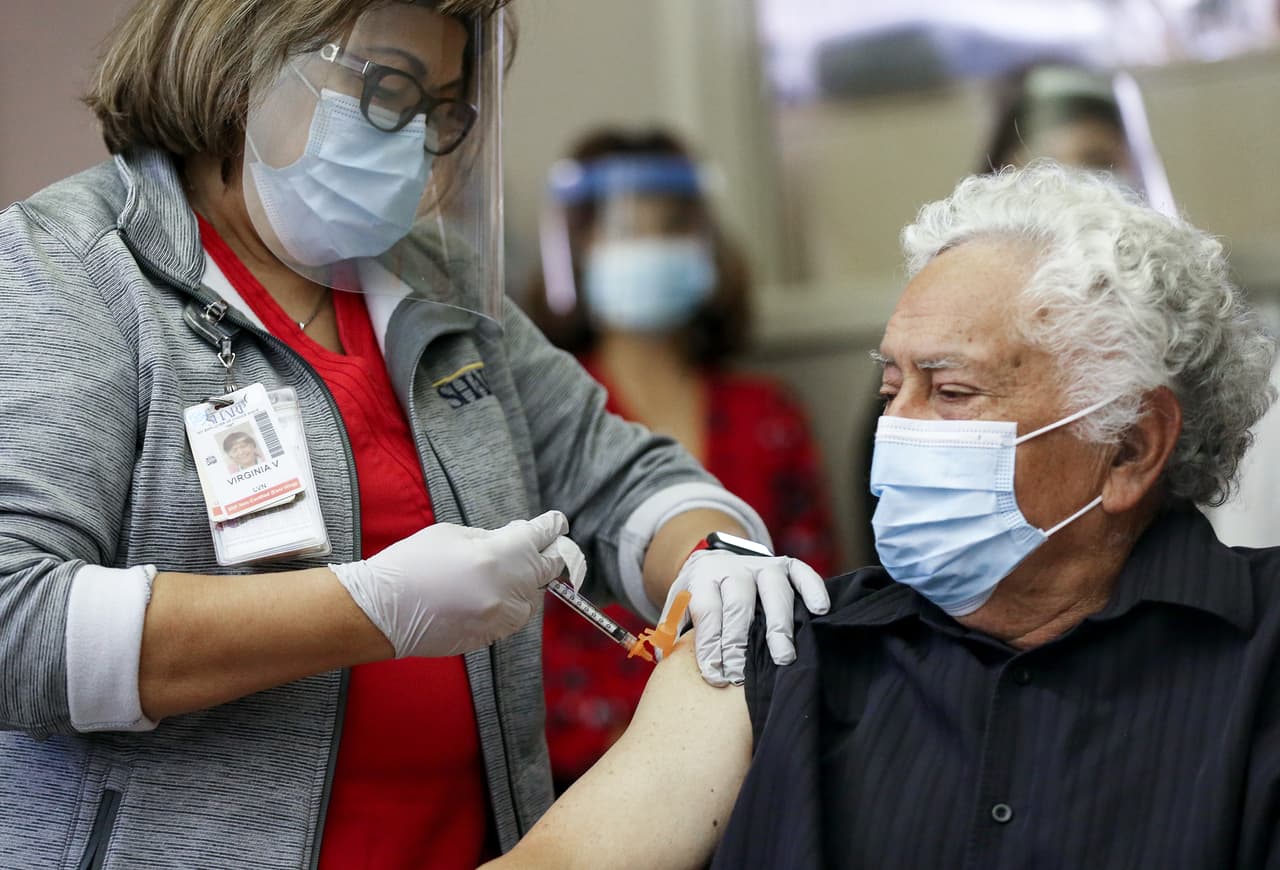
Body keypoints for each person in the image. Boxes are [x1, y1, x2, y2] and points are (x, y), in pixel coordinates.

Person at [0, 2, 831, 868]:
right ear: (245, 59)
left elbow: (620, 474)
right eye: (387, 91)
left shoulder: (435, 283)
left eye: (438, 110)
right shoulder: (71, 268)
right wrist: (371, 608)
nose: (412, 141)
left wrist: (713, 553)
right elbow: (14, 625)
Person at [482, 162, 1280, 869]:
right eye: (894, 388)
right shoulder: (779, 653)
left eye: (952, 391)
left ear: (1130, 446)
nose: (895, 429)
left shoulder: (1262, 661)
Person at [525, 127, 839, 788]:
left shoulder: (766, 415)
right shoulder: (542, 417)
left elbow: (818, 594)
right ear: (573, 249)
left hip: (759, 751)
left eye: (670, 226)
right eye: (623, 228)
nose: (649, 246)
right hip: (580, 773)